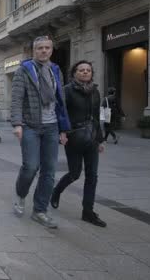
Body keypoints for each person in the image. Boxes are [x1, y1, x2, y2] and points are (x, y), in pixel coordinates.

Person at [11, 36, 70, 229]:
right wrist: (17, 124)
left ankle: (40, 210)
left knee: (49, 171)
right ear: (34, 51)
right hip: (30, 125)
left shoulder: (55, 71)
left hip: (52, 126)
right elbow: (17, 99)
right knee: (30, 166)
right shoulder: (24, 70)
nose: (44, 51)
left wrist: (64, 129)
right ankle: (20, 194)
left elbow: (60, 101)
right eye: (40, 48)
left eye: (47, 48)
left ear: (51, 50)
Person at [51, 61, 107, 227]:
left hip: (92, 137)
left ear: (91, 73)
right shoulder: (67, 91)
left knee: (92, 176)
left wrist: (100, 140)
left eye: (88, 70)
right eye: (81, 70)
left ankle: (88, 212)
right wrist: (62, 133)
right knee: (75, 173)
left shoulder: (95, 91)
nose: (85, 72)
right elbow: (61, 113)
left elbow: (96, 117)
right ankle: (57, 191)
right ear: (74, 73)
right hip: (74, 137)